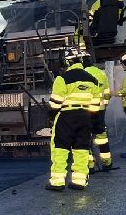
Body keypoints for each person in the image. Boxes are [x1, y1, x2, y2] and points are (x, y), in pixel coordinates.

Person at [46, 47, 102, 191]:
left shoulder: (62, 79)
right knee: (81, 149)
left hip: (66, 117)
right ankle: (79, 181)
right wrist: (94, 123)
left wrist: (50, 118)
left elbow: (55, 104)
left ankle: (57, 182)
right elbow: (96, 107)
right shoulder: (93, 80)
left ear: (66, 62)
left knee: (60, 148)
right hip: (85, 117)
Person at [83, 52, 113, 171]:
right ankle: (107, 162)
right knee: (102, 137)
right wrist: (103, 106)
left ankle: (90, 165)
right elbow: (107, 93)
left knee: (85, 137)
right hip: (99, 110)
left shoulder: (82, 74)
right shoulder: (101, 73)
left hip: (85, 111)